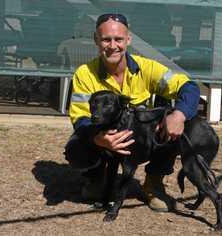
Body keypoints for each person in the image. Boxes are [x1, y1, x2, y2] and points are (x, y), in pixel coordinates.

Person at [64, 13, 200, 212]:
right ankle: (96, 178)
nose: (112, 46)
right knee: (76, 145)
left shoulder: (147, 67)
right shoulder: (84, 74)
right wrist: (98, 138)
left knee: (176, 128)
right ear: (96, 40)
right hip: (104, 141)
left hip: (142, 142)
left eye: (118, 39)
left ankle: (153, 183)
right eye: (105, 39)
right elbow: (80, 118)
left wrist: (179, 115)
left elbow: (189, 87)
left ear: (128, 40)